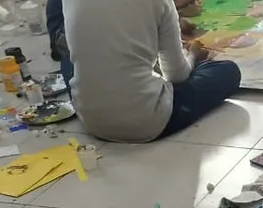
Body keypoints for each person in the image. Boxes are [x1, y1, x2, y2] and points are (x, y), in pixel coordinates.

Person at [64, 0, 242, 143]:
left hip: (90, 118)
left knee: (75, 61)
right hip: (145, 122)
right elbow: (177, 75)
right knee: (227, 71)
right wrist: (193, 55)